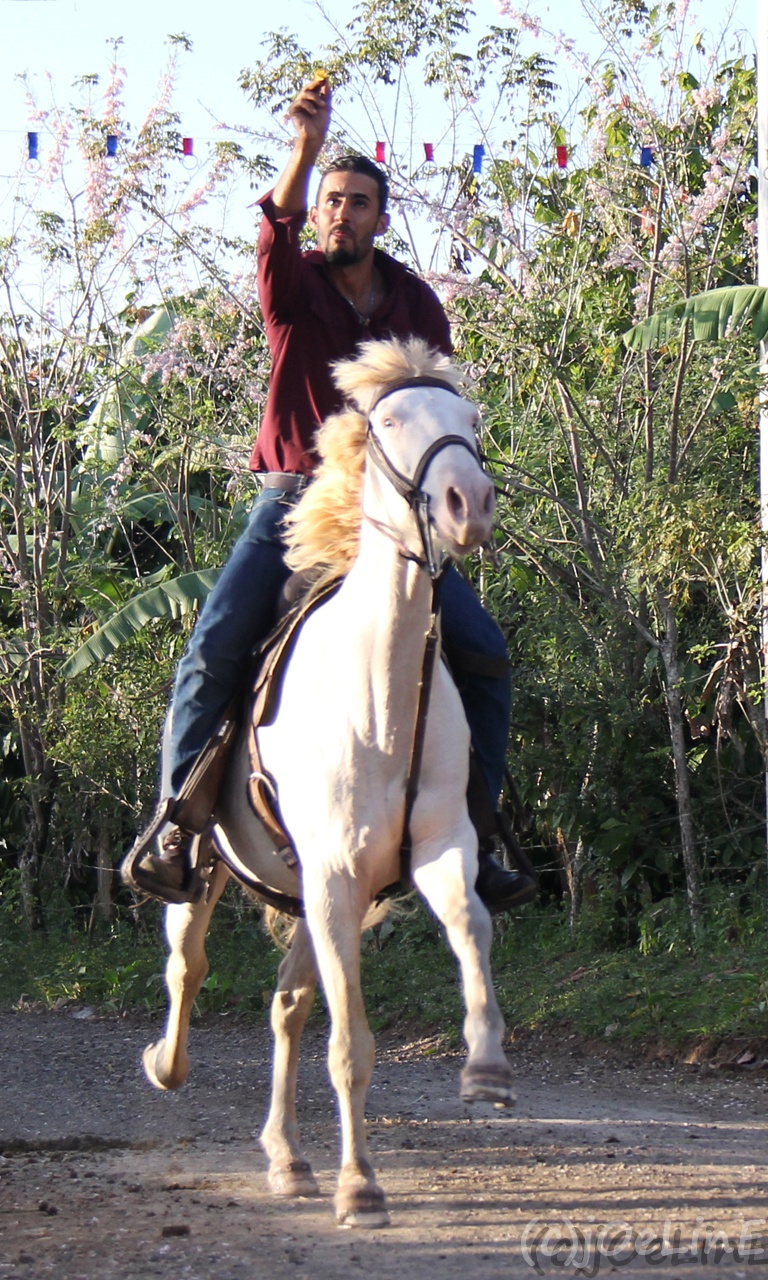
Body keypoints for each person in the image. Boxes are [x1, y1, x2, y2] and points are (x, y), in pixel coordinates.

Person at [131, 76, 535, 910]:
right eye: (331, 202)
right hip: (292, 502)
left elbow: (434, 409)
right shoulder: (294, 286)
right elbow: (273, 226)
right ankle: (176, 826)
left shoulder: (416, 301)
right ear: (317, 215)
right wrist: (303, 150)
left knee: (486, 654)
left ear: (382, 218)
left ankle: (477, 833)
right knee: (212, 648)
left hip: (390, 516)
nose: (341, 213)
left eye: (357, 202)